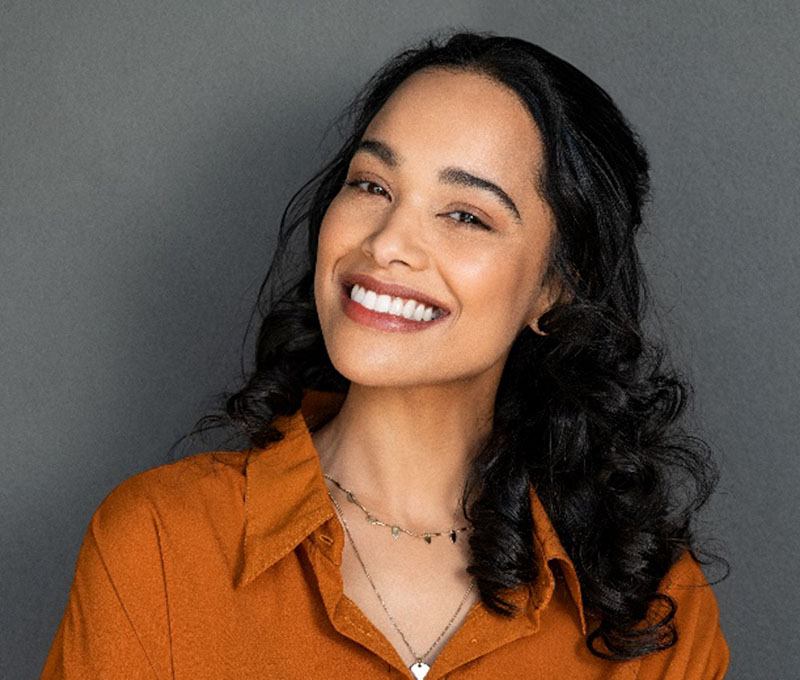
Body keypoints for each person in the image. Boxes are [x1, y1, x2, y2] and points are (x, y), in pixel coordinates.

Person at [41, 31, 729, 679]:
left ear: (554, 285)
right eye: (372, 185)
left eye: (466, 215)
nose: (387, 242)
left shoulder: (655, 603)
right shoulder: (158, 544)